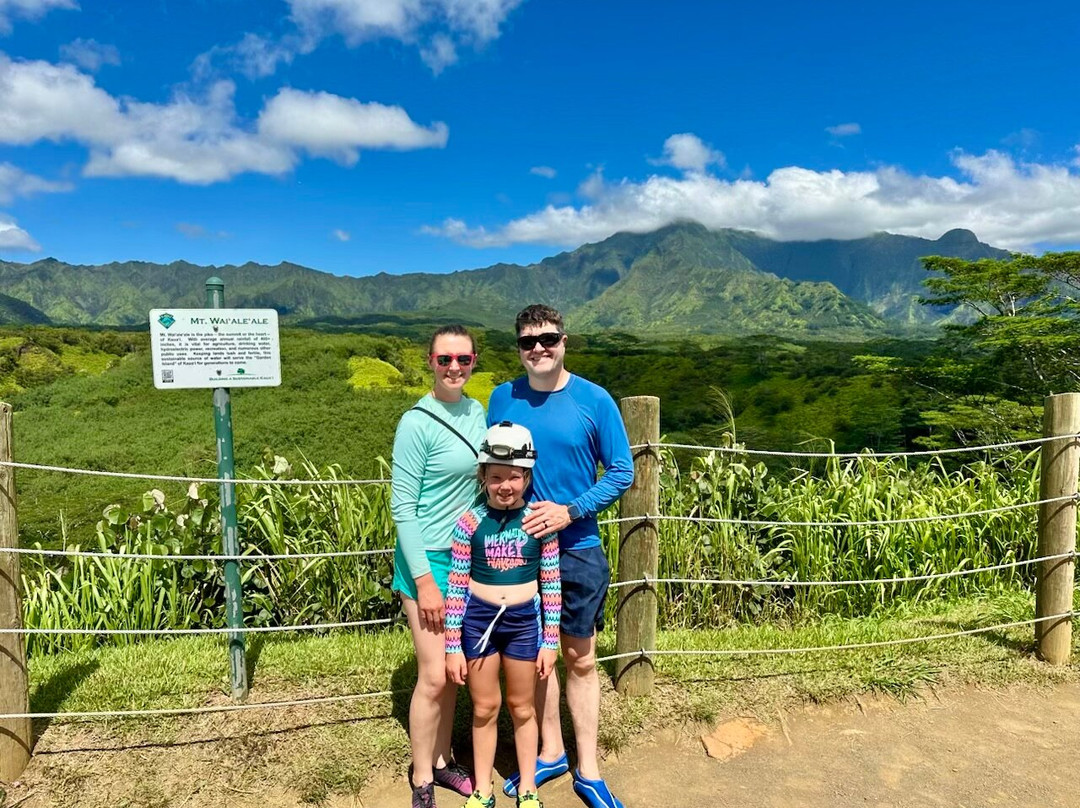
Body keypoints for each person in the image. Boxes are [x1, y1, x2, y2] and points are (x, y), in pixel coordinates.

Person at [487, 305, 634, 808]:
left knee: (580, 657)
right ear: (518, 348)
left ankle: (588, 767)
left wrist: (569, 511)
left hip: (578, 549)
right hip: (519, 550)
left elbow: (622, 471)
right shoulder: (502, 397)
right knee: (533, 656)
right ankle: (551, 750)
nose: (539, 349)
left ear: (564, 341)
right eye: (528, 342)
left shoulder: (594, 400)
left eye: (548, 339)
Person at [391, 324, 487, 808]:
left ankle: (445, 759)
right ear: (430, 361)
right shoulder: (416, 423)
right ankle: (422, 774)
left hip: (464, 559)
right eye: (444, 359)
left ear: (474, 362)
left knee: (454, 670)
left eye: (463, 359)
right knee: (433, 674)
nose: (454, 367)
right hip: (427, 559)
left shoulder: (477, 412)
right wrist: (425, 582)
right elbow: (403, 507)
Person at [444, 422, 562, 808]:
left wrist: (550, 641)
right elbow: (457, 587)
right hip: (478, 623)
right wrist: (452, 645)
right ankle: (483, 788)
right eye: (495, 477)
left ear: (527, 477)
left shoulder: (539, 523)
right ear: (483, 477)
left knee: (522, 707)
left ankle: (528, 787)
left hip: (524, 623)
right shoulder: (469, 523)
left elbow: (551, 584)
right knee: (484, 707)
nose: (505, 486)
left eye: (514, 476)